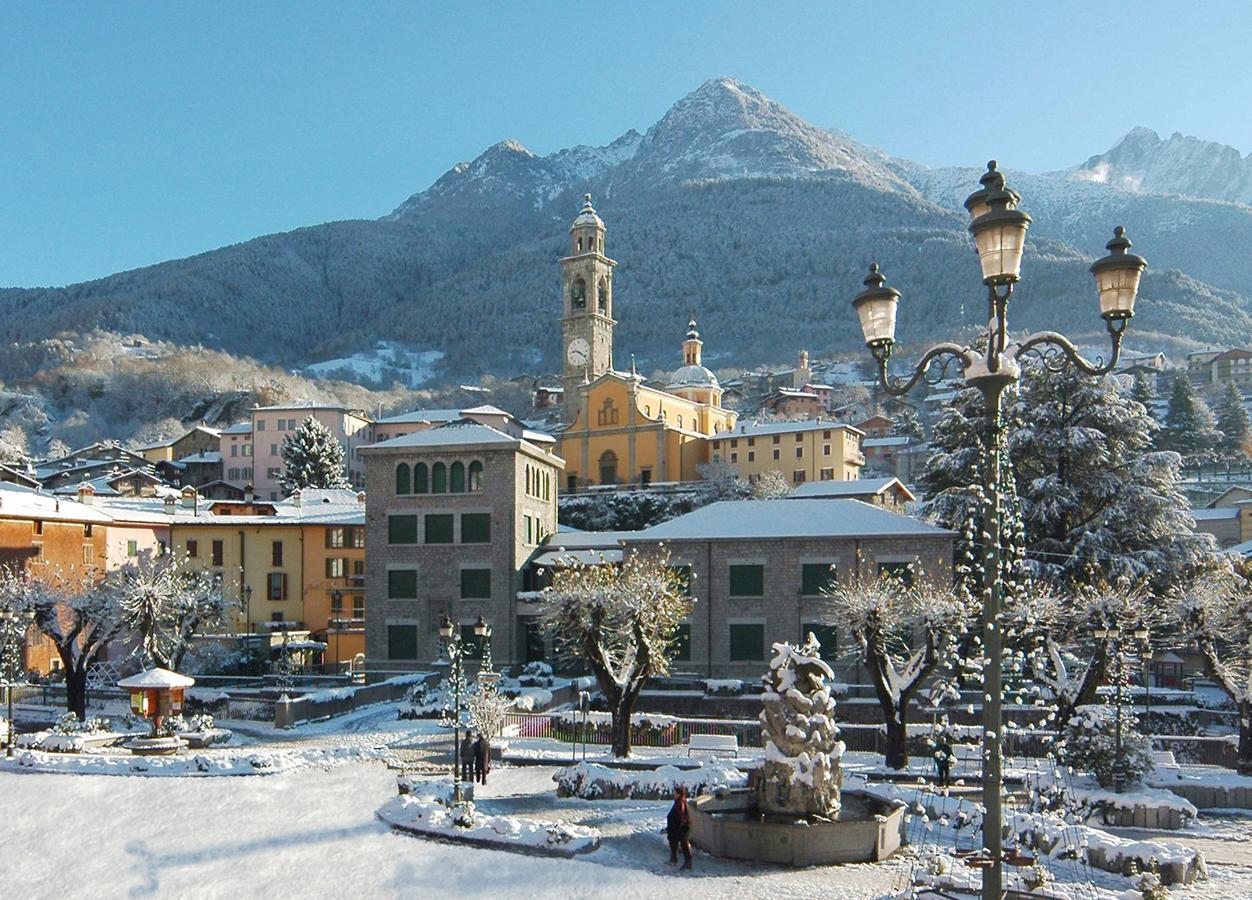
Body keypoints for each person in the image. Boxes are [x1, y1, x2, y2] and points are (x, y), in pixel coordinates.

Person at [665, 785, 692, 870]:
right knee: (673, 841)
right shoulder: (677, 802)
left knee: (684, 844)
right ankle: (673, 859)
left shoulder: (680, 803)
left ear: (679, 794)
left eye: (675, 792)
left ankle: (688, 863)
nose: (673, 794)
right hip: (677, 827)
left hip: (682, 828)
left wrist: (676, 827)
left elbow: (681, 817)